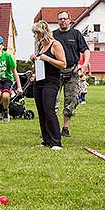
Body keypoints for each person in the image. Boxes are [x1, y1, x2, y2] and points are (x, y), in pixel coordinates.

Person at [30, 20, 66, 150]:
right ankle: (46, 140)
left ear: (42, 32)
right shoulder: (41, 45)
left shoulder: (55, 44)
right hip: (39, 81)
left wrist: (48, 58)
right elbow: (41, 65)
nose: (34, 36)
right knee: (41, 111)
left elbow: (63, 64)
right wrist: (35, 60)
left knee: (49, 110)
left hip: (51, 82)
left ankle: (56, 141)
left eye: (36, 33)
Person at [53, 11, 90, 137]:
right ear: (57, 21)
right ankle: (53, 128)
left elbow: (86, 50)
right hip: (56, 72)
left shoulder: (76, 34)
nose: (62, 21)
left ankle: (65, 128)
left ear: (70, 20)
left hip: (72, 72)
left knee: (71, 101)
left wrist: (85, 64)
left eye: (65, 18)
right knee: (53, 101)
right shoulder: (53, 35)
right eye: (60, 19)